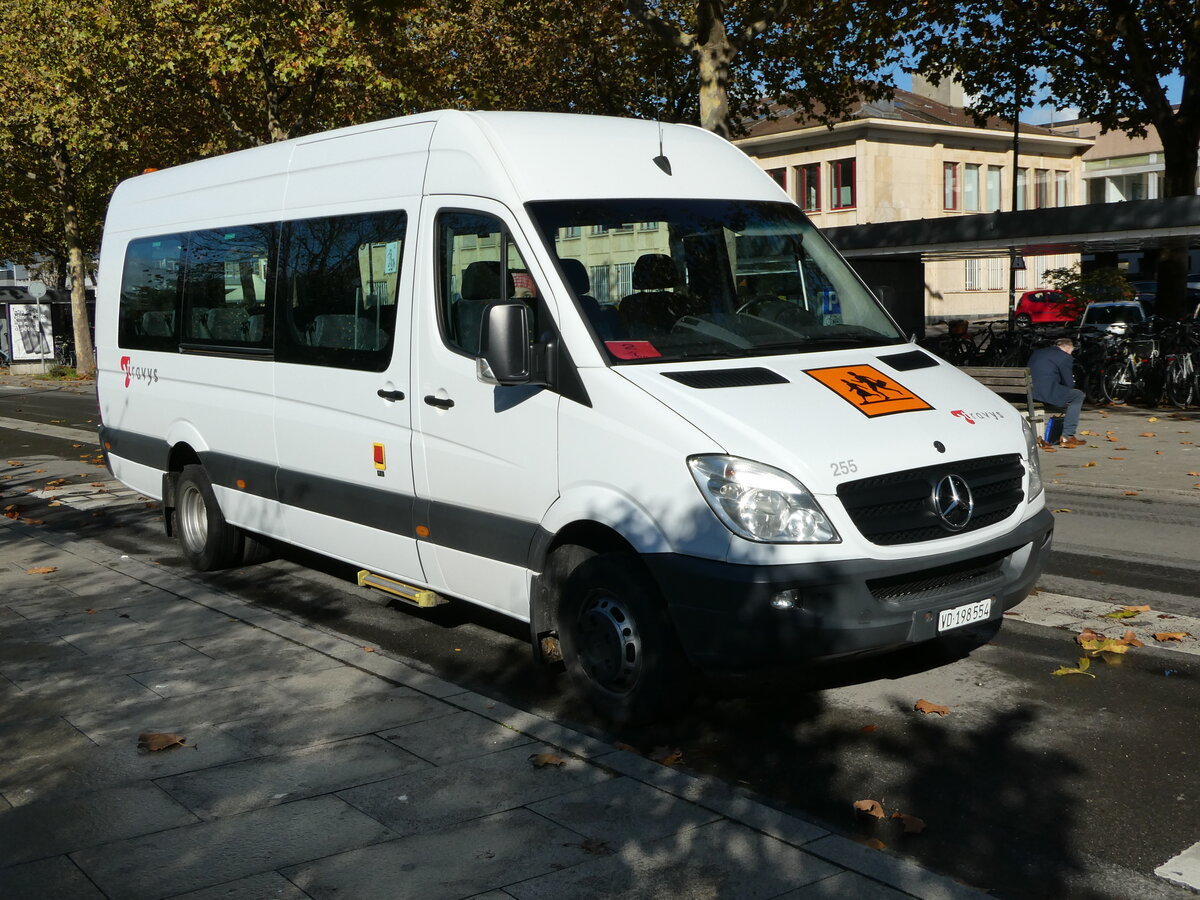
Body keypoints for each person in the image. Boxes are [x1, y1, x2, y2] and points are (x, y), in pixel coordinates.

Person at [1029, 337, 1085, 448]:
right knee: (1078, 395)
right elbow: (1068, 383)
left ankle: (1067, 434)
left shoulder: (1038, 352)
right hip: (1043, 392)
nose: (1070, 354)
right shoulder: (1065, 357)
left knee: (1068, 394)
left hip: (1028, 391)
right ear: (1068, 347)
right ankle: (1067, 435)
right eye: (1071, 352)